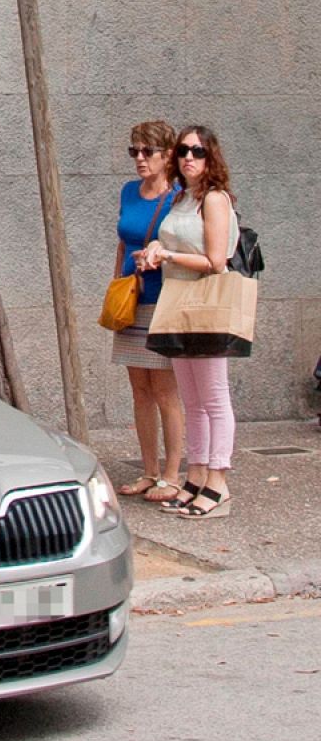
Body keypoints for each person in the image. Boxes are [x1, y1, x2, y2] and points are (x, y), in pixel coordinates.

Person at [136, 125, 240, 519]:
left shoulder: (214, 199)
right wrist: (155, 252)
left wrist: (169, 257)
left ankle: (218, 481)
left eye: (197, 152)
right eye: (183, 151)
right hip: (177, 300)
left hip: (207, 302)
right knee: (192, 399)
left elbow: (216, 261)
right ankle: (195, 476)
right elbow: (176, 246)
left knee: (214, 396)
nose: (189, 159)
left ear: (211, 156)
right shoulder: (181, 198)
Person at [110, 121, 185, 502]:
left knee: (165, 389)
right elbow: (122, 243)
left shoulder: (178, 197)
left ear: (167, 155)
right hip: (132, 299)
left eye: (147, 152)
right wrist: (115, 286)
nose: (139, 159)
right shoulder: (128, 191)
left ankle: (172, 474)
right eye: (133, 151)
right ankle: (149, 470)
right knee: (139, 388)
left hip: (165, 299)